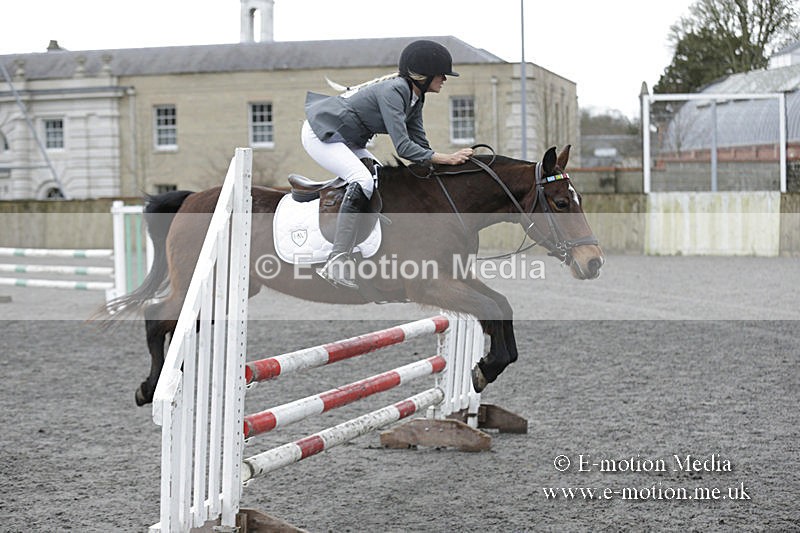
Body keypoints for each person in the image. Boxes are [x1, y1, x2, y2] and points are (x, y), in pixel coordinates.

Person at [302, 39, 474, 288]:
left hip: (348, 139)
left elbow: (420, 144)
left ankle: (367, 246)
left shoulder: (416, 98)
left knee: (380, 179)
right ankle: (336, 259)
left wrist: (445, 167)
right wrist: (446, 157)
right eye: (441, 74)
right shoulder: (394, 92)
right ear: (424, 75)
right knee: (362, 180)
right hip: (321, 133)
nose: (445, 79)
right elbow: (403, 148)